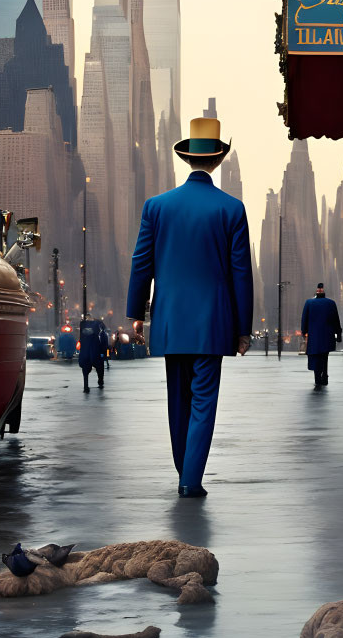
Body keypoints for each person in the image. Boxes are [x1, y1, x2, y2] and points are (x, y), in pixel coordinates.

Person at [127, 116, 253, 498]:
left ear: (188, 159)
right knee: (203, 401)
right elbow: (241, 274)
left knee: (177, 399)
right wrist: (242, 328)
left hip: (168, 320)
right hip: (214, 323)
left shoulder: (157, 207)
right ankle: (190, 479)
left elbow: (141, 262)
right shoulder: (232, 209)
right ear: (218, 161)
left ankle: (184, 468)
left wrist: (136, 313)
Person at [301, 283, 342, 389]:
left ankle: (317, 378)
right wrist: (338, 333)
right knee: (325, 356)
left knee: (315, 356)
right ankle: (325, 376)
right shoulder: (331, 303)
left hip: (314, 336)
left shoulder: (309, 303)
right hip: (327, 335)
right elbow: (336, 320)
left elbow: (304, 319)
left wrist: (304, 332)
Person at [78, 314, 110, 393]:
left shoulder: (83, 328)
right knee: (100, 368)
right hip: (96, 352)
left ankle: (86, 385)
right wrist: (104, 354)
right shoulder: (99, 330)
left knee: (85, 370)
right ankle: (100, 381)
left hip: (86, 352)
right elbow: (103, 344)